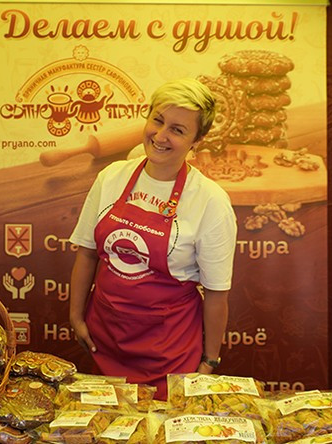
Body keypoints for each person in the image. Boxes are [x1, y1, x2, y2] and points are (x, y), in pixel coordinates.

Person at [68, 78, 238, 399]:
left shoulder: (210, 200)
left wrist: (209, 361)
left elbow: (216, 292)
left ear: (196, 140)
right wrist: (76, 316)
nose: (160, 136)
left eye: (177, 129)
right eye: (157, 120)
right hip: (103, 341)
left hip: (169, 353)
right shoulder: (111, 177)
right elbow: (88, 252)